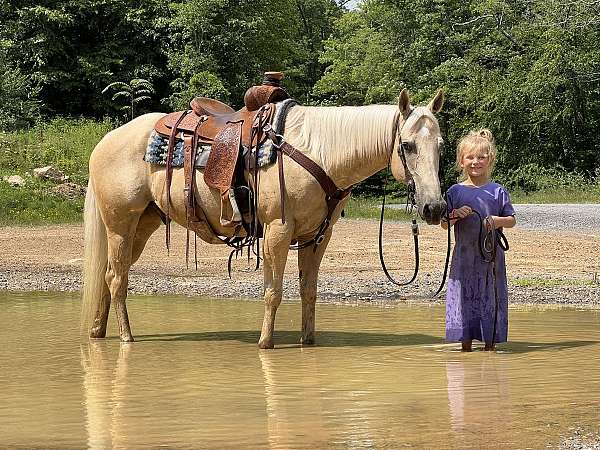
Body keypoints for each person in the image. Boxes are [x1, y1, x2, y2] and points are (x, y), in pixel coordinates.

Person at [441, 129, 516, 352]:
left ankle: (490, 346)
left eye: (481, 157)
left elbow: (511, 221)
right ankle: (465, 347)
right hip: (463, 259)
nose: (476, 162)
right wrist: (455, 214)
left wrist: (496, 220)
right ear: (461, 161)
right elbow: (444, 224)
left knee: (490, 299)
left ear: (490, 160)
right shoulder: (455, 191)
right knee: (464, 299)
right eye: (470, 157)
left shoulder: (498, 191)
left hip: (491, 260)